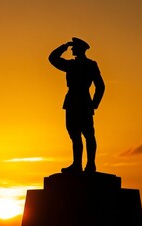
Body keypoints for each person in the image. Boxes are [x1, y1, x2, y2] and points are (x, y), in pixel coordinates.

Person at [49, 37, 105, 173]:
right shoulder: (74, 65)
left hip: (80, 102)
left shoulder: (85, 65)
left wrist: (94, 104)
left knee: (87, 134)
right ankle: (78, 165)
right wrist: (93, 104)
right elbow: (52, 59)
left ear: (79, 49)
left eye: (74, 47)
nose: (72, 49)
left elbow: (100, 86)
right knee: (75, 134)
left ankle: (90, 164)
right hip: (76, 102)